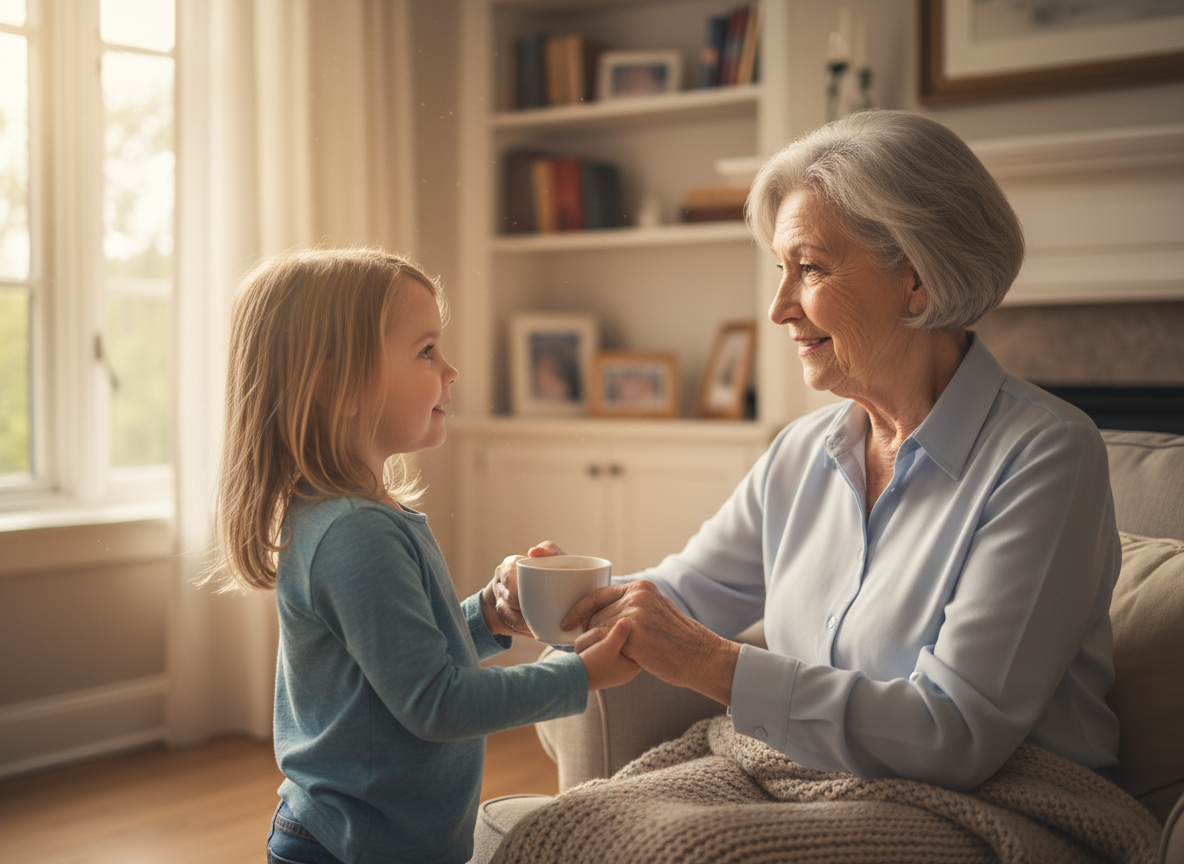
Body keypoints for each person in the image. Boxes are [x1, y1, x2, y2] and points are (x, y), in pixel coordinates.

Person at [491, 110, 1121, 791]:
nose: (779, 308)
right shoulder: (801, 453)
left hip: (1013, 804)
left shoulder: (1045, 455)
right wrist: (561, 601)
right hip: (821, 783)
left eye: (809, 269)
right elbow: (685, 598)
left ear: (917, 279)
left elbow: (955, 732)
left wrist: (717, 666)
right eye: (780, 270)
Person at [208, 247, 637, 864]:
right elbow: (435, 704)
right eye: (426, 351)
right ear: (338, 386)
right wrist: (582, 675)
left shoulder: (356, 517)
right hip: (353, 847)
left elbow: (396, 669)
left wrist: (486, 618)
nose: (451, 370)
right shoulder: (355, 534)